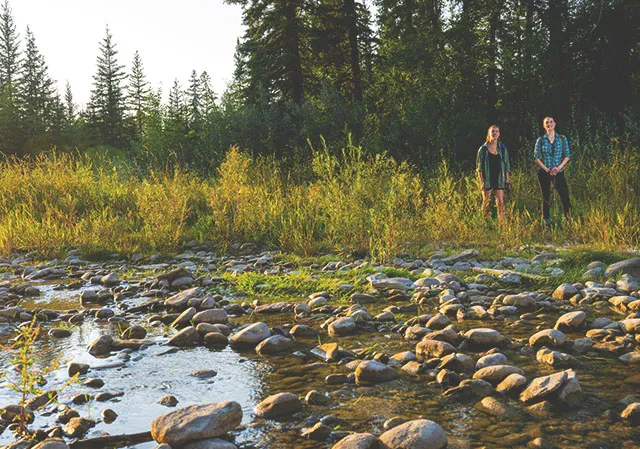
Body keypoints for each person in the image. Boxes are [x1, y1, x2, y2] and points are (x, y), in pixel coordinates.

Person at [534, 116, 572, 228]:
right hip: (544, 172)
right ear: (544, 125)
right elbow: (536, 157)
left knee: (565, 196)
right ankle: (546, 222)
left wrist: (558, 168)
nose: (549, 124)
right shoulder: (540, 140)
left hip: (558, 171)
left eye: (551, 122)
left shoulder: (562, 138)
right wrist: (547, 170)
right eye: (547, 123)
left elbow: (567, 155)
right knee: (546, 197)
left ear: (554, 124)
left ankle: (569, 220)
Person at [476, 125, 511, 223]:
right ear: (489, 133)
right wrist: (482, 182)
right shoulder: (483, 149)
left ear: (499, 134)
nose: (495, 133)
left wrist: (507, 180)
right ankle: (483, 222)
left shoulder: (503, 148)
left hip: (499, 178)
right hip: (487, 178)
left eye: (496, 131)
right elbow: (479, 168)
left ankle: (501, 223)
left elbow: (507, 166)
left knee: (500, 202)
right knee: (486, 202)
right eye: (493, 131)